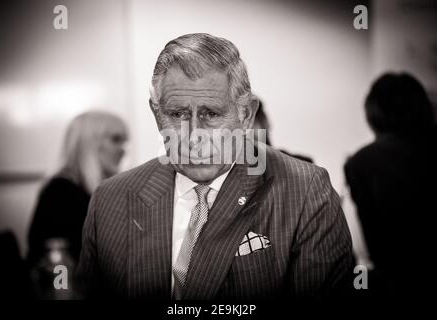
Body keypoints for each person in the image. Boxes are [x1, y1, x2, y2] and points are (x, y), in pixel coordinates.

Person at [77, 33, 352, 300]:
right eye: (177, 114)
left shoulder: (304, 191)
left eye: (211, 114)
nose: (194, 134)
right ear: (157, 114)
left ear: (246, 114)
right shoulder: (110, 200)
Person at [344, 73, 437, 298]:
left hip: (393, 284)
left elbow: (357, 247)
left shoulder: (360, 163)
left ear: (371, 114)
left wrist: (360, 286)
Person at [27, 111, 128, 266]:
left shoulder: (97, 190)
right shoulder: (60, 192)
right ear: (89, 143)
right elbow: (57, 261)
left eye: (124, 141)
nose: (123, 150)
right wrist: (62, 289)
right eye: (116, 139)